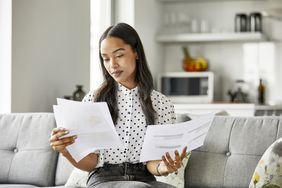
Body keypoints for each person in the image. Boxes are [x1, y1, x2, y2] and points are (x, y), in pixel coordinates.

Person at [49, 23, 187, 188]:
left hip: (144, 179)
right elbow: (91, 163)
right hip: (103, 179)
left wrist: (163, 167)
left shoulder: (161, 103)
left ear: (136, 53)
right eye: (106, 58)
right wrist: (65, 151)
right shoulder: (93, 99)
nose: (112, 64)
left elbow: (152, 163)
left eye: (119, 55)